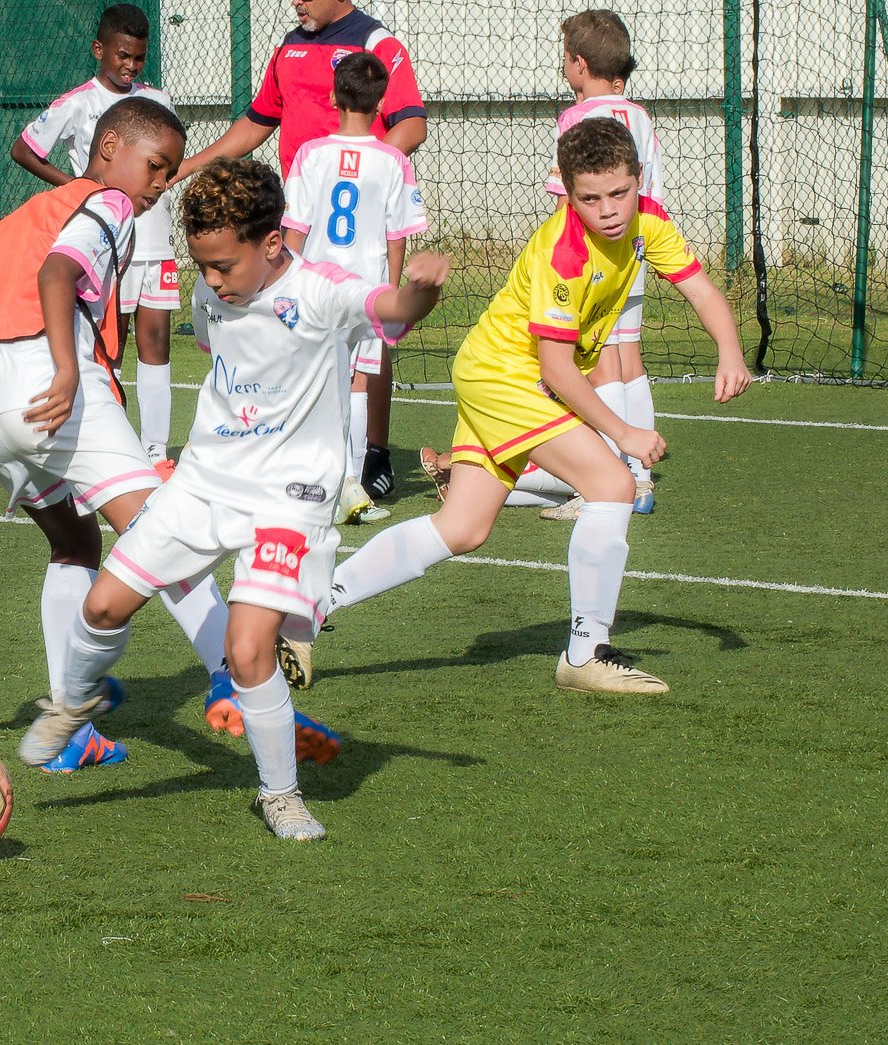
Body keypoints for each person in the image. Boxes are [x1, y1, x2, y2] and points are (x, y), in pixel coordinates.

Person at [17, 156, 449, 841]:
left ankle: (280, 795)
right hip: (204, 483)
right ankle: (74, 703)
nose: (211, 280)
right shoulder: (211, 292)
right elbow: (225, 343)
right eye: (202, 265)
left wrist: (421, 289)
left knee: (247, 650)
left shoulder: (322, 291)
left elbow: (391, 307)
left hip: (289, 495)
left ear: (272, 242)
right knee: (102, 604)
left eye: (223, 265)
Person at [311, 118, 751, 696]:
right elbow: (556, 369)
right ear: (568, 194)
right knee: (614, 485)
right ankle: (586, 652)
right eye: (590, 198)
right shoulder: (564, 251)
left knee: (462, 527)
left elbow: (700, 289)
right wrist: (625, 432)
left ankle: (308, 607)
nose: (609, 209)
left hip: (492, 373)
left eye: (619, 193)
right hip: (506, 377)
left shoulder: (650, 222)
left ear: (638, 182)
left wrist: (730, 350)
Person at [0, 97, 243, 773]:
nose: (158, 184)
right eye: (154, 166)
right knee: (161, 532)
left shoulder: (13, 221)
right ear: (108, 149)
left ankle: (70, 726)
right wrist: (67, 369)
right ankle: (230, 671)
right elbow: (58, 273)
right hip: (50, 382)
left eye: (169, 171)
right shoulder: (110, 204)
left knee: (76, 540)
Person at [185, 0, 428, 501]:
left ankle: (375, 454)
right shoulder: (288, 49)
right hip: (299, 220)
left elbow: (411, 123)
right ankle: (310, 454)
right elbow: (255, 123)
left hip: (351, 221)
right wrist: (189, 166)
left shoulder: (378, 45)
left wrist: (361, 176)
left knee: (370, 338)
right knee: (305, 337)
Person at [10, 3, 182, 465]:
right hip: (108, 243)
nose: (130, 65)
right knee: (111, 341)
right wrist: (77, 189)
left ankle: (155, 450)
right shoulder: (78, 102)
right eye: (122, 55)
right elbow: (24, 148)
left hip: (156, 241)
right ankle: (112, 441)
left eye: (139, 57)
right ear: (99, 50)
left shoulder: (158, 102)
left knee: (157, 341)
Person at [281, 52, 428, 524]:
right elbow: (396, 235)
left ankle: (312, 480)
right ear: (382, 101)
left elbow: (295, 229)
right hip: (365, 290)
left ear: (331, 97)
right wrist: (390, 290)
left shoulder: (310, 155)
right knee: (359, 383)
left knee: (313, 380)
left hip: (316, 287)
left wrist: (287, 283)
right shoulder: (393, 160)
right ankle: (351, 482)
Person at [539, 10, 665, 520]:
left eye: (564, 57)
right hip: (636, 244)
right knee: (628, 353)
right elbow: (650, 181)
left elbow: (563, 202)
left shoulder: (574, 119)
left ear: (578, 64)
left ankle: (608, 475)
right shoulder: (639, 114)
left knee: (599, 360)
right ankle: (640, 476)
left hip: (592, 257)